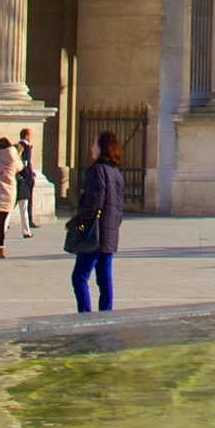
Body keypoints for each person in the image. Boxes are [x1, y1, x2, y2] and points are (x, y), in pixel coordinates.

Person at [67, 131, 126, 313]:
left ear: (102, 148)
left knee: (79, 276)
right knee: (104, 279)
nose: (92, 148)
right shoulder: (116, 173)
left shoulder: (97, 171)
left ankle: (85, 314)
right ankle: (105, 314)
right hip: (109, 234)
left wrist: (76, 221)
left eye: (95, 144)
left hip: (95, 234)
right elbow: (118, 207)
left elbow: (94, 202)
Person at [14, 129, 40, 239]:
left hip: (18, 177)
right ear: (26, 135)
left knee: (15, 201)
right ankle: (29, 221)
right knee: (26, 201)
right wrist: (30, 174)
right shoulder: (26, 146)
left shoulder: (17, 145)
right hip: (25, 177)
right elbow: (26, 162)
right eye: (30, 135)